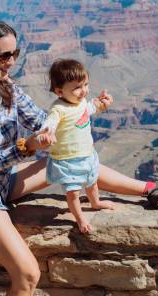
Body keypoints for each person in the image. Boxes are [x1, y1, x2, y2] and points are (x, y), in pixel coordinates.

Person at [0, 17, 158, 296]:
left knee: (69, 160)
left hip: (0, 183)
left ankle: (152, 191)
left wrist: (81, 112)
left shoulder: (8, 89)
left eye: (15, 54)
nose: (12, 61)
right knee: (28, 274)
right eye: (5, 55)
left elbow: (44, 123)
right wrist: (25, 147)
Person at [37, 58, 116, 233]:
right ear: (59, 91)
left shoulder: (80, 102)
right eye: (77, 88)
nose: (83, 91)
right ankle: (80, 218)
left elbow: (90, 108)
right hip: (67, 160)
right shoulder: (58, 108)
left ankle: (95, 202)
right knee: (73, 193)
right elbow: (51, 122)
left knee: (92, 182)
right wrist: (46, 132)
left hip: (87, 155)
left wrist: (101, 103)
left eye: (86, 85)